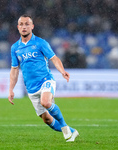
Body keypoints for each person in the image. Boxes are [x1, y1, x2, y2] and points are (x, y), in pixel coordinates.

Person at [8, 14, 79, 142]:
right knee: (47, 120)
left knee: (46, 102)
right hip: (31, 88)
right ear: (18, 27)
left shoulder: (40, 43)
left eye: (27, 24)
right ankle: (72, 131)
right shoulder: (15, 48)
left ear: (32, 26)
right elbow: (14, 69)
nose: (24, 27)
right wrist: (11, 89)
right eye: (21, 24)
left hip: (46, 80)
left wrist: (62, 71)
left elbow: (54, 58)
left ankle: (64, 127)